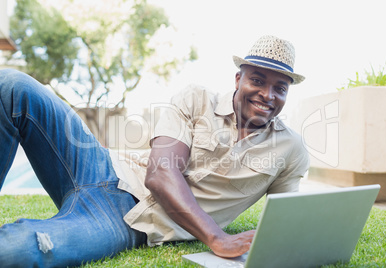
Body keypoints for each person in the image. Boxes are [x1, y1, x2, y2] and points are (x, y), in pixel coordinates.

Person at [0, 35, 309, 267]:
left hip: (123, 218)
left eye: (280, 87)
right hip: (100, 165)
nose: (267, 95)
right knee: (13, 85)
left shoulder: (290, 149)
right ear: (239, 78)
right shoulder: (195, 99)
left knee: (18, 250)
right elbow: (161, 174)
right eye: (258, 80)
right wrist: (217, 237)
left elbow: (286, 218)